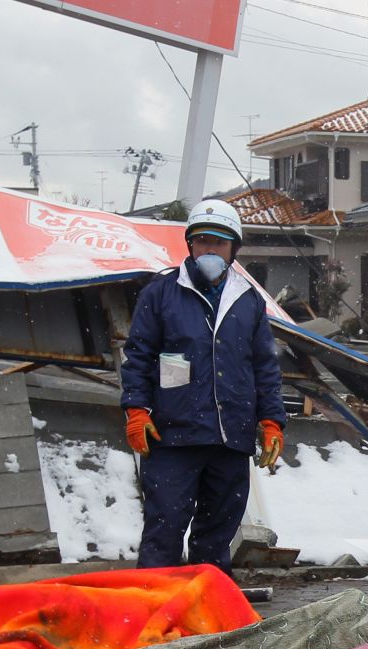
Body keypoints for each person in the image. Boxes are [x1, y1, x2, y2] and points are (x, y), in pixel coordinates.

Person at [119, 198, 285, 575]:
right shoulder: (160, 294)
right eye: (203, 240)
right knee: (163, 531)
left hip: (230, 439)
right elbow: (139, 356)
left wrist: (272, 421)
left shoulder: (247, 300)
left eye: (220, 242)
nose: (210, 249)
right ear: (190, 244)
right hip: (173, 437)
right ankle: (152, 616)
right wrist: (135, 409)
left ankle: (208, 616)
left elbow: (264, 367)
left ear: (233, 249)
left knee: (215, 538)